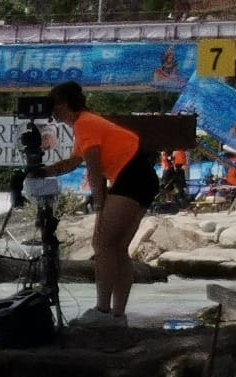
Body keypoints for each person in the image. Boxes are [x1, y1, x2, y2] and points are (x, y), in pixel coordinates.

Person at [30, 80, 157, 327]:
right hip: (140, 177)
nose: (53, 115)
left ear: (65, 104)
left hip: (131, 177)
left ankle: (103, 310)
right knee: (118, 248)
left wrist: (99, 207)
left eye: (54, 107)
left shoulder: (85, 123)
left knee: (102, 243)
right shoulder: (87, 123)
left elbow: (94, 169)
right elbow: (72, 163)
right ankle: (118, 315)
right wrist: (42, 172)